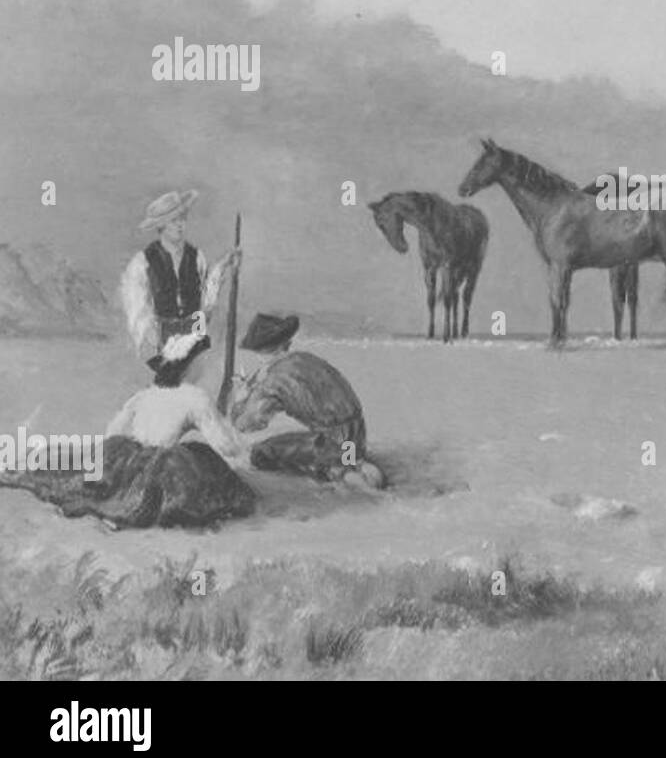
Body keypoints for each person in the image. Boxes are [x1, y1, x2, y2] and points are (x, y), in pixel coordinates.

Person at [0, 339, 255, 529]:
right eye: (201, 360)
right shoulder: (195, 398)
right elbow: (228, 447)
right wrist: (237, 407)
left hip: (128, 458)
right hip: (165, 467)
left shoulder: (143, 396)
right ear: (191, 366)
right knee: (205, 469)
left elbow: (112, 433)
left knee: (80, 474)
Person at [229, 313, 387, 489]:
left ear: (260, 351)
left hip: (331, 442)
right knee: (346, 454)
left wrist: (241, 397)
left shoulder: (273, 380)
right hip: (356, 434)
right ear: (286, 344)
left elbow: (246, 424)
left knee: (261, 453)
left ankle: (346, 472)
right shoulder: (306, 359)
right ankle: (356, 463)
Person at [119, 189, 240, 388]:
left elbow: (206, 297)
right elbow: (137, 307)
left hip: (196, 339)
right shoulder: (143, 262)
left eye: (183, 218)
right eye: (174, 220)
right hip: (164, 343)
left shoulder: (196, 257)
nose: (180, 224)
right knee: (169, 395)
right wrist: (153, 337)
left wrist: (224, 266)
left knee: (198, 392)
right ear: (161, 225)